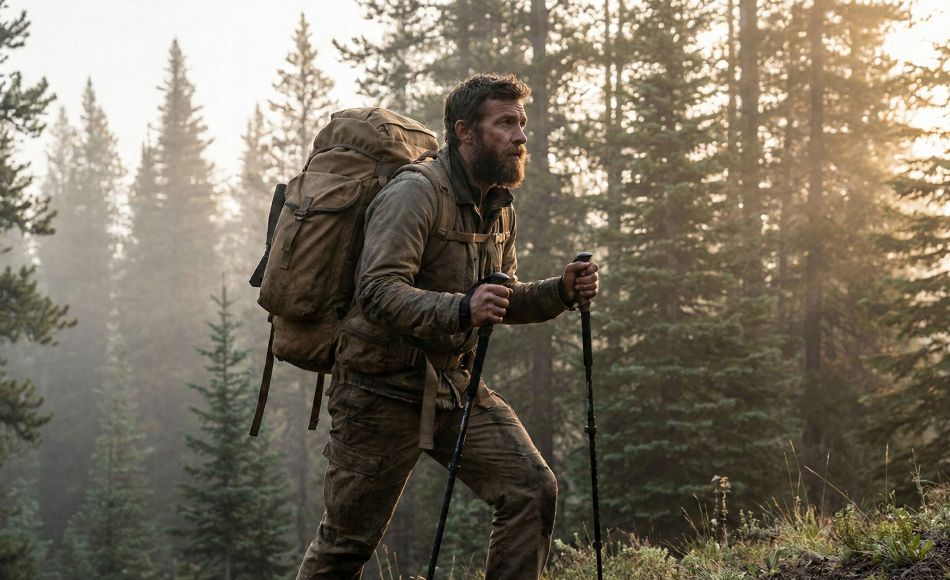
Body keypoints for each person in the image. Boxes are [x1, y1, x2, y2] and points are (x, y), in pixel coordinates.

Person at [296, 73, 599, 580]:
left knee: (530, 487)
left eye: (521, 123)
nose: (521, 136)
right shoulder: (414, 194)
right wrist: (461, 309)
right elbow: (377, 289)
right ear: (464, 131)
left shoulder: (498, 206)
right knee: (344, 547)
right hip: (378, 392)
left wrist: (561, 291)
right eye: (505, 123)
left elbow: (500, 297)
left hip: (450, 387)